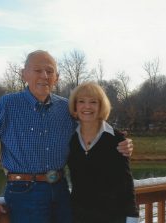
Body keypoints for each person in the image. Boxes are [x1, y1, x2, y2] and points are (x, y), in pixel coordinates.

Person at [0, 50, 134, 223]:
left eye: (49, 71)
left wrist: (121, 141)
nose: (44, 76)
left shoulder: (65, 107)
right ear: (24, 74)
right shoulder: (8, 104)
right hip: (23, 193)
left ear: (57, 77)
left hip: (61, 191)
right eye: (37, 70)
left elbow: (93, 128)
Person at [67, 82, 139, 223]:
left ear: (100, 106)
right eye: (81, 101)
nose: (87, 106)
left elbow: (126, 183)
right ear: (75, 106)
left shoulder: (116, 139)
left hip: (112, 216)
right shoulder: (71, 139)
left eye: (93, 102)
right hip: (79, 216)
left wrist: (132, 217)